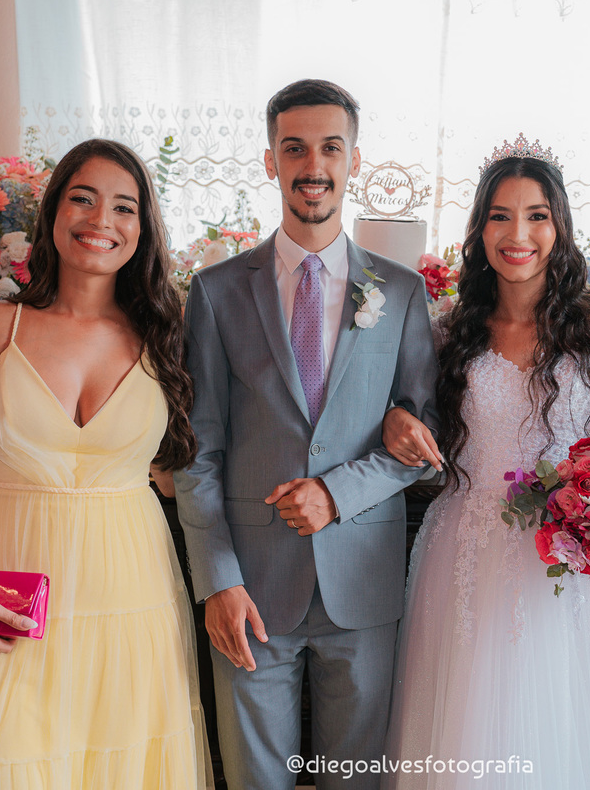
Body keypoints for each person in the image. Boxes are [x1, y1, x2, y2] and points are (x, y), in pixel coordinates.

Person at [0, 139, 211, 788]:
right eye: (83, 199)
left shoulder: (166, 337)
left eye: (124, 207)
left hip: (130, 595)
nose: (101, 220)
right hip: (6, 590)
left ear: (142, 230)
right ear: (53, 213)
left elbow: (192, 460)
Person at [174, 79, 437, 790]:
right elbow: (198, 451)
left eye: (330, 148)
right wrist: (217, 582)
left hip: (363, 581)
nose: (312, 165)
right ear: (271, 162)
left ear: (354, 160)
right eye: (294, 148)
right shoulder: (216, 292)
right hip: (251, 587)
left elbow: (425, 439)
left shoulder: (402, 291)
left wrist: (337, 493)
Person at [380, 138, 590, 789]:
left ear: (559, 226)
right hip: (464, 552)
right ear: (479, 231)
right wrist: (396, 421)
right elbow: (414, 436)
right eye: (500, 216)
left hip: (566, 565)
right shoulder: (444, 335)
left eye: (536, 215)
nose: (518, 234)